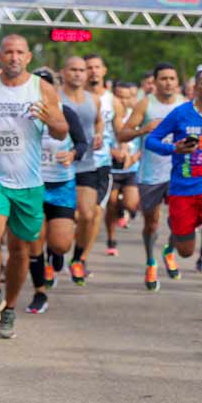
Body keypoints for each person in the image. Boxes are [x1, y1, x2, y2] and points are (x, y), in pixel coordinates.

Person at [0, 34, 68, 339]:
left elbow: (61, 131)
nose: (14, 57)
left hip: (29, 183)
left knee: (20, 250)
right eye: (8, 52)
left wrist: (51, 120)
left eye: (19, 52)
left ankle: (9, 309)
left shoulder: (42, 88)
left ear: (28, 57)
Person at [145, 68, 202, 322]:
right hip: (182, 189)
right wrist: (173, 148)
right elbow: (151, 141)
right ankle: (173, 243)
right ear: (195, 87)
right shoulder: (180, 113)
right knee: (186, 250)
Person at [26, 69, 89, 314]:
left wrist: (73, 154)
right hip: (31, 185)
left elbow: (81, 143)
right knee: (34, 242)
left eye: (47, 86)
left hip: (62, 185)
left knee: (61, 244)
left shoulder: (66, 113)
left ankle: (57, 255)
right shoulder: (24, 114)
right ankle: (39, 292)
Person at [118, 63, 184, 291]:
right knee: (152, 222)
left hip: (178, 173)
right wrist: (143, 130)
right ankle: (150, 261)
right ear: (154, 82)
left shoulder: (185, 105)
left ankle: (169, 251)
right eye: (163, 78)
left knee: (180, 222)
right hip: (151, 174)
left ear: (177, 82)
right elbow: (123, 133)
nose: (168, 82)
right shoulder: (145, 104)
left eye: (171, 78)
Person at [59, 56, 103, 286]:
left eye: (82, 70)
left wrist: (98, 134)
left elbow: (98, 122)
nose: (78, 74)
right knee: (57, 217)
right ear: (63, 72)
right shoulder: (54, 97)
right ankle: (53, 257)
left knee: (87, 215)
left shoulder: (93, 99)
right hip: (57, 164)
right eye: (73, 69)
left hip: (86, 163)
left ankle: (77, 259)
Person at [79, 54, 116, 269]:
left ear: (104, 71)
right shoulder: (75, 97)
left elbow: (122, 131)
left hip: (101, 163)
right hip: (75, 163)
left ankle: (81, 259)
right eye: (88, 67)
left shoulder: (113, 101)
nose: (93, 71)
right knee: (77, 215)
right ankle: (72, 248)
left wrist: (122, 148)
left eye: (96, 67)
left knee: (94, 214)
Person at [105, 81, 140, 257]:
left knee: (131, 203)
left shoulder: (136, 118)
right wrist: (112, 151)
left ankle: (124, 211)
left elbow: (145, 141)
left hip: (131, 169)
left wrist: (134, 157)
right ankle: (111, 240)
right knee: (111, 203)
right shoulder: (106, 116)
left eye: (127, 97)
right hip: (111, 168)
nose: (123, 100)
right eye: (119, 96)